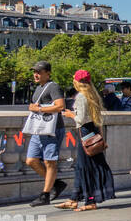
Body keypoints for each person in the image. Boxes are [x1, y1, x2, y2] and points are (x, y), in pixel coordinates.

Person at [61, 70, 116, 212]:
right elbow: (98, 120)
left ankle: (90, 200)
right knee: (83, 166)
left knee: (85, 166)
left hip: (84, 133)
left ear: (78, 82)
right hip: (93, 133)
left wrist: (70, 114)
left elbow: (80, 119)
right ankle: (74, 198)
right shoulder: (93, 95)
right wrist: (101, 137)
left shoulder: (81, 97)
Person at [24, 61, 67, 207]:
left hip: (52, 130)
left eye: (39, 72)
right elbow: (36, 107)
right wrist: (32, 107)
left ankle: (45, 194)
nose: (35, 74)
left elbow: (60, 106)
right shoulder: (38, 88)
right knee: (31, 160)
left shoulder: (53, 86)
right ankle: (56, 184)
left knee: (50, 162)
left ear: (48, 73)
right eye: (34, 71)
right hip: (39, 129)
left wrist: (40, 109)